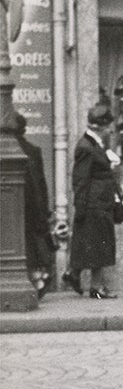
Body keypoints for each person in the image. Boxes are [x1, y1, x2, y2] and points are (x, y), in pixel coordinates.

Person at [67, 102, 123, 297]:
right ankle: (96, 287)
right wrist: (80, 206)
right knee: (99, 246)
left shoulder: (94, 145)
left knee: (93, 243)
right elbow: (80, 179)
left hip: (99, 202)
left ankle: (74, 274)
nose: (110, 130)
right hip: (94, 203)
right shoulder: (86, 147)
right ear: (100, 126)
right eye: (108, 126)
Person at [12, 113, 55, 294]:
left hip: (13, 207)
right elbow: (41, 184)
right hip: (32, 207)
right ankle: (37, 278)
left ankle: (33, 280)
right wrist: (44, 209)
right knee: (32, 244)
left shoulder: (9, 150)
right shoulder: (33, 150)